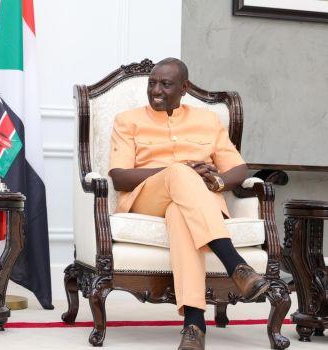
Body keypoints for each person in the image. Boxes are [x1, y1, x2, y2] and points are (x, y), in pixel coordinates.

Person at [108, 58, 269, 350]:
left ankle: (193, 326)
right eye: (152, 83)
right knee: (180, 172)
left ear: (184, 89)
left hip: (194, 203)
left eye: (165, 84)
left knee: (180, 214)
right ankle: (236, 265)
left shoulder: (207, 121)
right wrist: (178, 170)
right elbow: (119, 177)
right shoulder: (127, 120)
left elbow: (238, 168)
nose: (156, 90)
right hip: (147, 197)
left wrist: (217, 182)